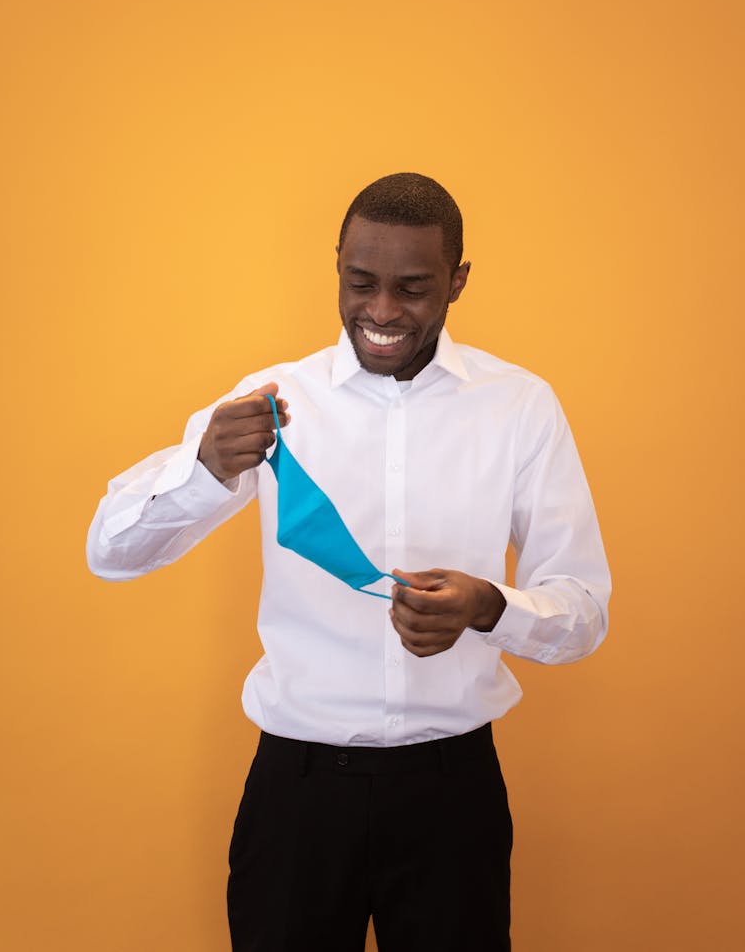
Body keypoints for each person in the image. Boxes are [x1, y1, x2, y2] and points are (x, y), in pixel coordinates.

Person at [87, 172, 611, 952]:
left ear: (458, 280)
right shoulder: (272, 402)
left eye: (414, 287)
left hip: (452, 798)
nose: (384, 311)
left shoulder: (520, 407)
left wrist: (488, 606)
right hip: (295, 800)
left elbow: (583, 610)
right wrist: (200, 466)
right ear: (336, 264)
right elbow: (111, 552)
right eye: (362, 282)